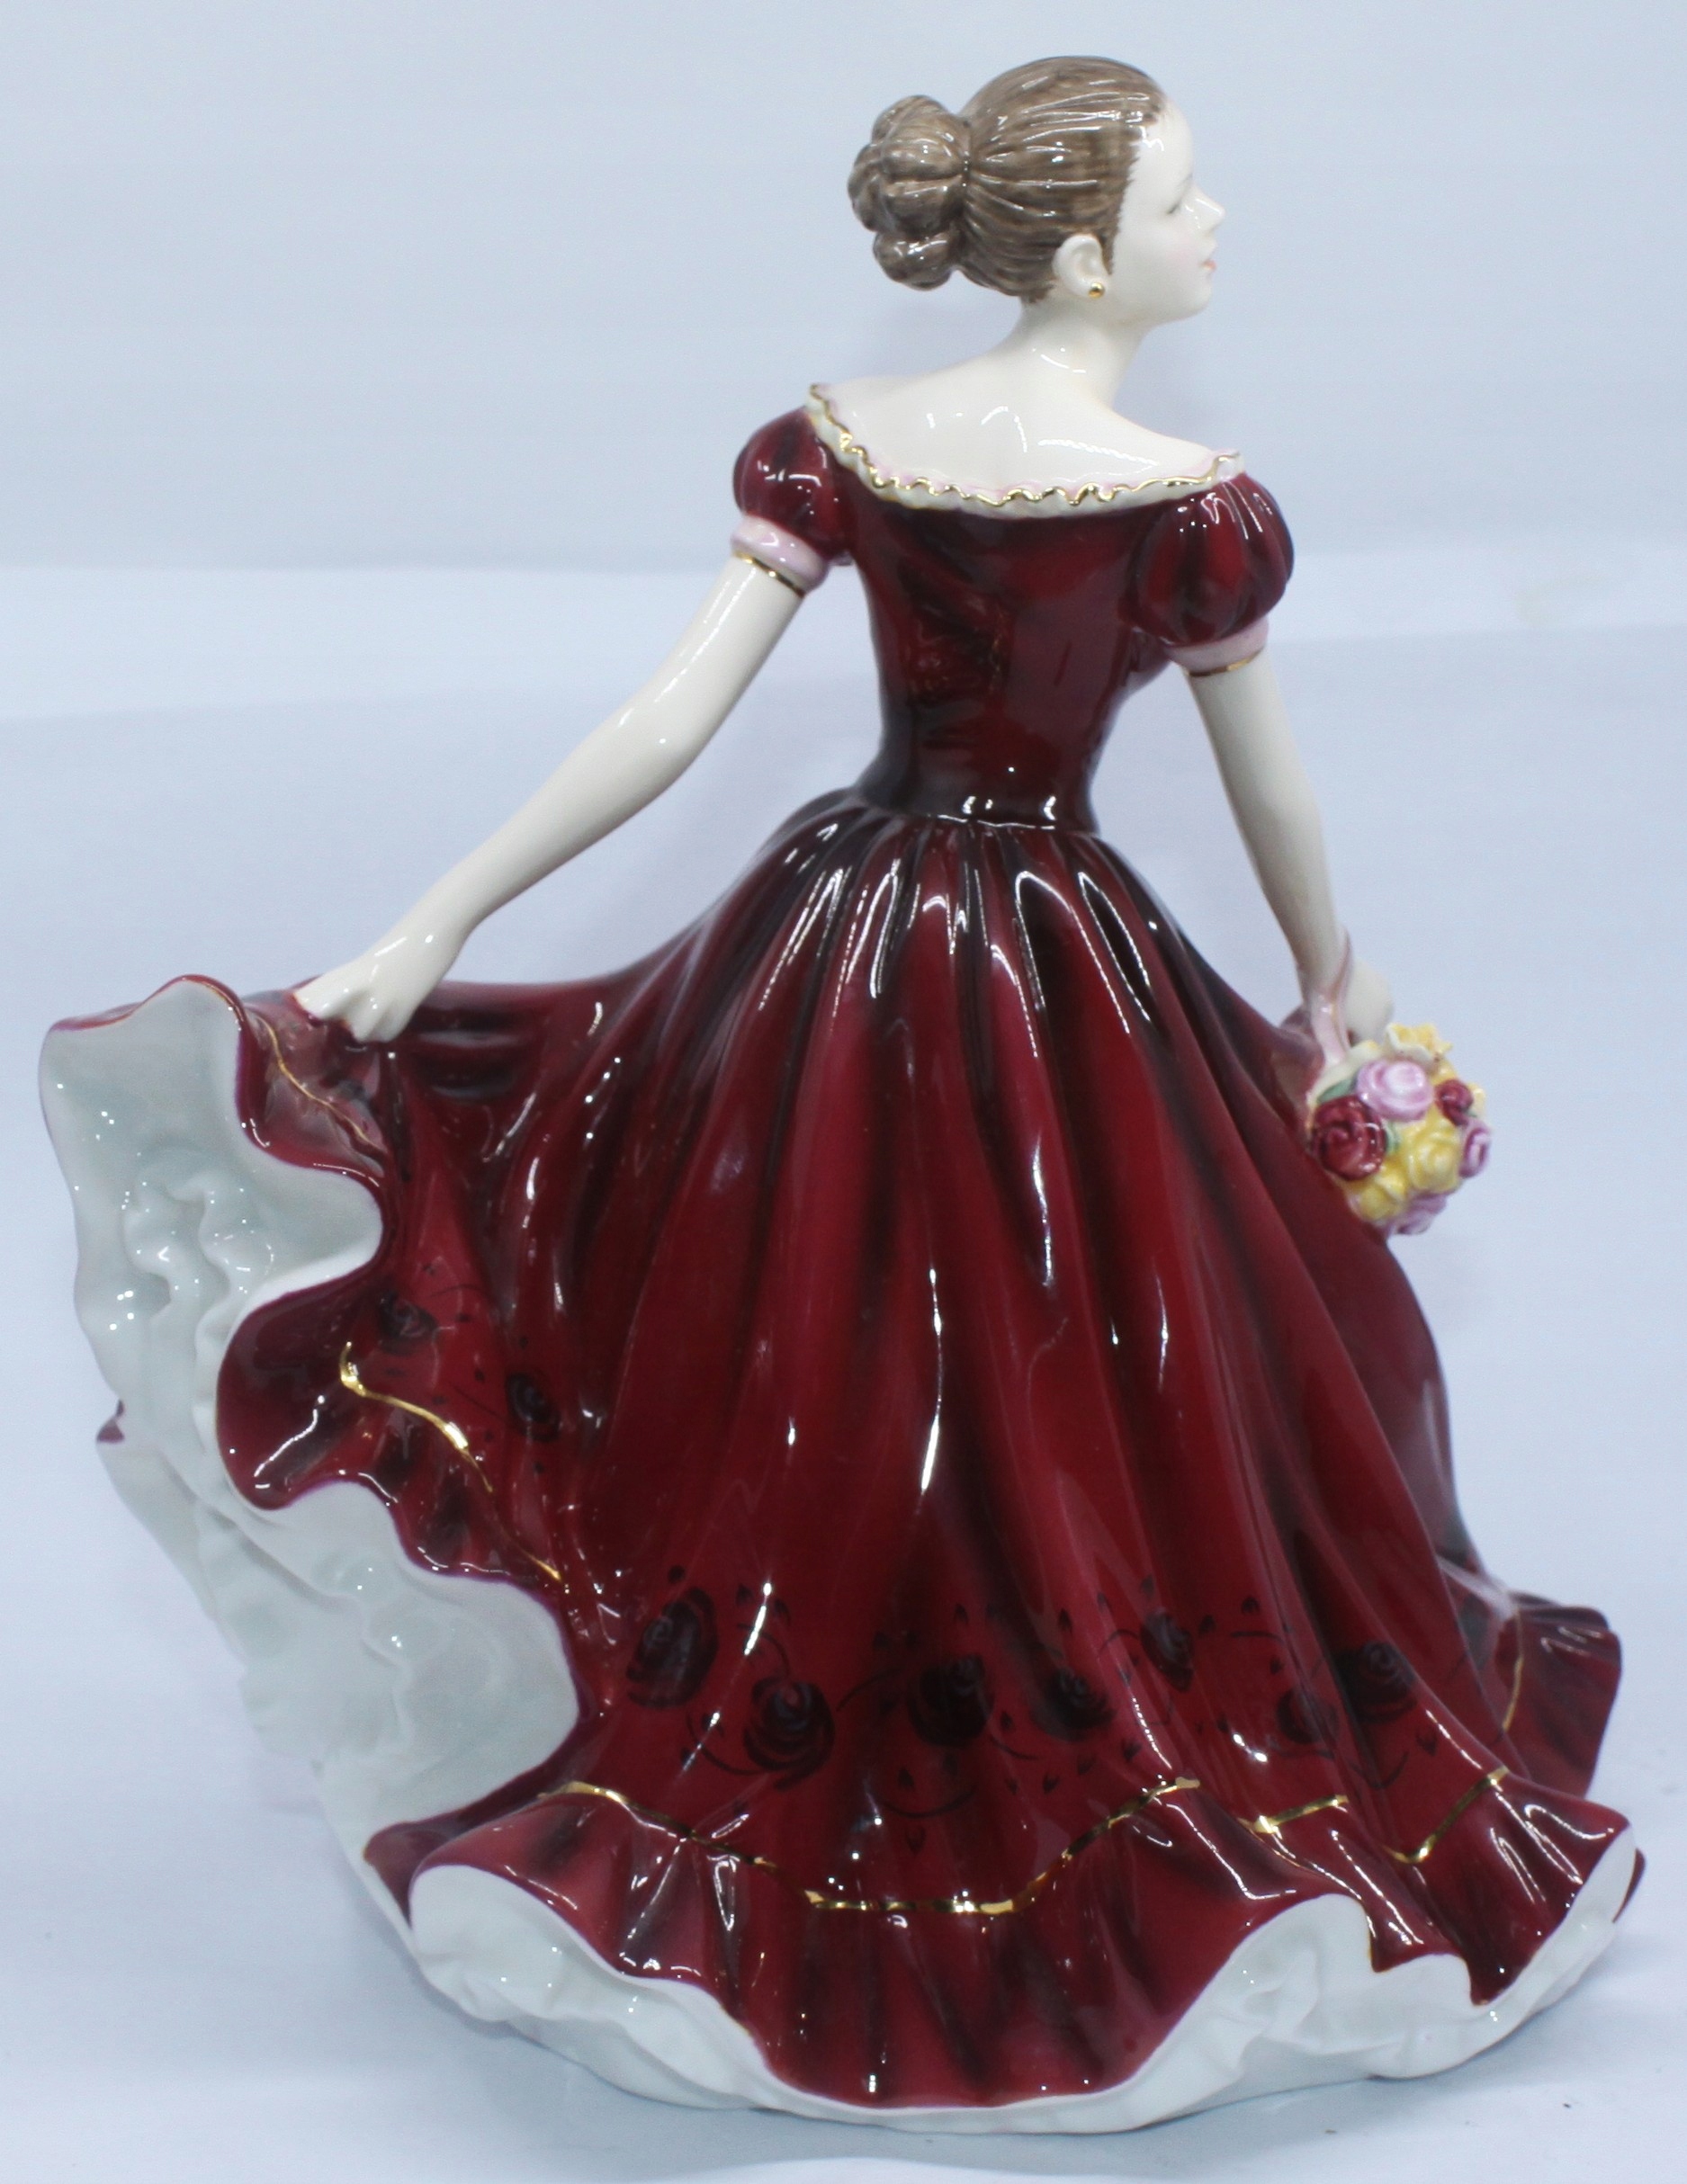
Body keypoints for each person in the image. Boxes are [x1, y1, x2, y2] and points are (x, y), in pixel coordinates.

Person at [44, 58, 1635, 2131]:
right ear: (1085, 255)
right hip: (1033, 943)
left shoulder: (872, 444)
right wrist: (1334, 980)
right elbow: (1255, 794)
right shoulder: (1174, 502)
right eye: (1182, 195)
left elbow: (671, 719)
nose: (1216, 224)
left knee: (911, 1348)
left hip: (860, 920)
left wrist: (438, 916)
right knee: (981, 1364)